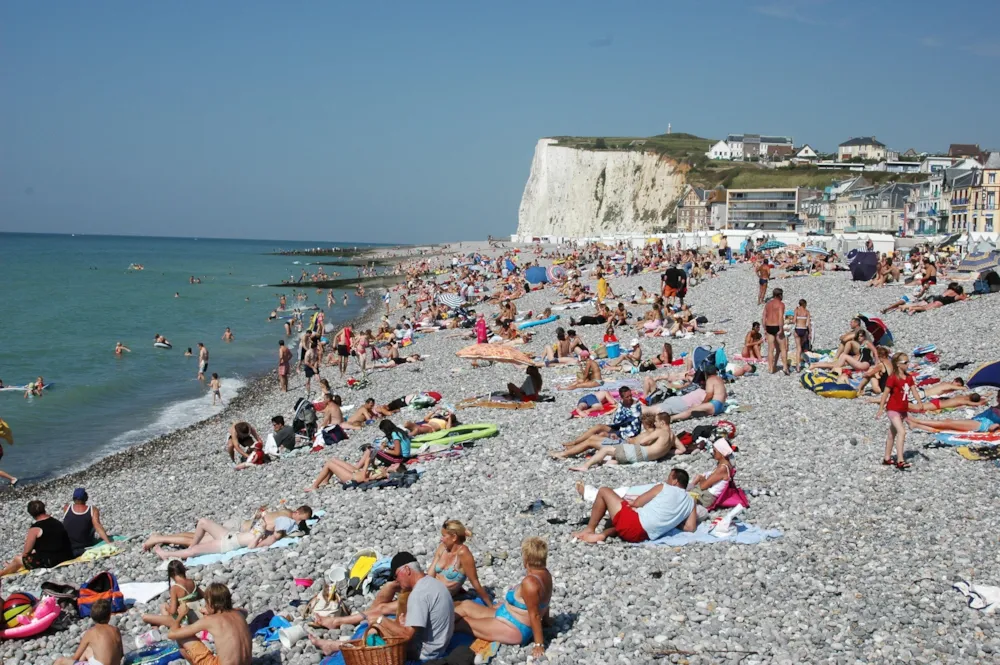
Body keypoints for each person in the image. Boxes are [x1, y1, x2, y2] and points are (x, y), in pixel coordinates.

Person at [454, 537, 552, 657]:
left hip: (515, 627)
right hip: (505, 614)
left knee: (462, 623)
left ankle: (432, 630)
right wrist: (547, 621)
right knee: (466, 605)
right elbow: (545, 602)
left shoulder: (530, 583)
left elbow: (535, 615)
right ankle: (434, 620)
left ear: (526, 557)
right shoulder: (545, 574)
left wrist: (539, 645)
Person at [349, 553, 454, 663]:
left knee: (374, 629)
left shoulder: (418, 594)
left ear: (407, 570)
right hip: (440, 646)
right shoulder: (433, 583)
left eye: (396, 576)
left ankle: (340, 646)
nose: (396, 581)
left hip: (425, 653)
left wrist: (381, 620)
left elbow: (406, 635)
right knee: (382, 625)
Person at [572, 468, 697, 544]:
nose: (667, 480)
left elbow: (638, 502)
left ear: (675, 480)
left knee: (604, 491)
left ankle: (589, 529)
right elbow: (690, 528)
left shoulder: (664, 487)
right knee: (619, 521)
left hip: (633, 525)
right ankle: (604, 534)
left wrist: (629, 503)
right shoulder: (691, 501)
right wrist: (674, 519)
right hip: (643, 536)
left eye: (669, 477)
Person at [142, 506, 312, 560]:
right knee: (199, 527)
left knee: (192, 543)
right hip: (234, 531)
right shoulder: (282, 519)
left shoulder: (271, 534)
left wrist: (261, 533)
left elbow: (254, 546)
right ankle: (166, 540)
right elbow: (268, 521)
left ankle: (166, 550)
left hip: (230, 540)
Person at [160, 583, 251, 665]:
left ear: (210, 603)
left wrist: (181, 615)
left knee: (182, 635)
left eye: (206, 603)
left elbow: (172, 634)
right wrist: (213, 611)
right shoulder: (239, 614)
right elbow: (244, 611)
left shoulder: (210, 620)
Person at [552, 387, 642, 459]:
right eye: (627, 397)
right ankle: (574, 443)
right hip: (619, 427)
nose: (630, 398)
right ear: (621, 397)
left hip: (626, 431)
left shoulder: (635, 406)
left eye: (630, 395)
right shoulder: (621, 404)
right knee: (598, 426)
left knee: (601, 434)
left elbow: (633, 427)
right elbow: (617, 420)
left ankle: (575, 448)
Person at [569, 412, 679, 472]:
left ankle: (586, 466)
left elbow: (644, 441)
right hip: (646, 457)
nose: (655, 423)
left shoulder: (660, 432)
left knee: (606, 449)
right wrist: (665, 452)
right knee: (613, 457)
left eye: (657, 421)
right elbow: (681, 449)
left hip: (640, 453)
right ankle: (601, 462)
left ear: (663, 423)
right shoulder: (673, 435)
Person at [1, 500, 75, 576]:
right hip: (66, 555)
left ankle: (2, 573)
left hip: (51, 561)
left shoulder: (35, 529)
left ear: (31, 513)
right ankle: (11, 566)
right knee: (29, 556)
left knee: (18, 558)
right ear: (44, 508)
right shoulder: (57, 522)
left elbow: (26, 553)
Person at [53, 599, 124, 665]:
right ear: (109, 615)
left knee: (60, 661)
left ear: (92, 617)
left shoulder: (91, 632)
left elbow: (75, 657)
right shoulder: (116, 630)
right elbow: (121, 654)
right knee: (87, 650)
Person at [877, 352, 917, 469]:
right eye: (905, 362)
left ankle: (887, 458)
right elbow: (885, 394)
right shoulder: (893, 378)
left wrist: (920, 403)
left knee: (892, 433)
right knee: (902, 432)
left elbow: (914, 391)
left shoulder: (909, 377)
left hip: (902, 410)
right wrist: (880, 408)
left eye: (908, 361)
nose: (908, 364)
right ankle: (900, 460)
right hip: (892, 409)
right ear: (898, 365)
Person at [141, 559, 201, 626]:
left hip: (183, 620)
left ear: (171, 575)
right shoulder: (191, 582)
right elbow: (202, 595)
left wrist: (168, 608)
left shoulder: (175, 588)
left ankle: (165, 624)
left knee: (145, 617)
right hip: (196, 615)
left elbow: (173, 611)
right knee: (165, 606)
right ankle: (163, 624)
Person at [909, 393, 1000, 434]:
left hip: (982, 425)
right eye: (998, 397)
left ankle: (917, 421)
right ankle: (916, 424)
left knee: (948, 423)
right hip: (976, 421)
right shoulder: (997, 406)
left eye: (999, 397)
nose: (997, 399)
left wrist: (996, 427)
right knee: (948, 422)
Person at [688, 439, 736, 516]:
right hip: (707, 494)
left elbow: (703, 486)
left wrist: (701, 478)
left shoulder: (722, 468)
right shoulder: (726, 464)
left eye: (715, 451)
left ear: (722, 452)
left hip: (706, 497)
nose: (713, 453)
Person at [61, 488, 112, 557]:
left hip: (68, 545)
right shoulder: (92, 510)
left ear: (73, 498)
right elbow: (98, 527)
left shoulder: (66, 508)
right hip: (85, 545)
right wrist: (108, 542)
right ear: (85, 497)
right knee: (92, 524)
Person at [762, 288, 788, 374]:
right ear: (779, 295)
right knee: (783, 348)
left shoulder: (768, 304)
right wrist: (781, 329)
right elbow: (780, 317)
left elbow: (763, 317)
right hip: (777, 326)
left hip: (769, 326)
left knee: (770, 349)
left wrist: (765, 328)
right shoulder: (781, 305)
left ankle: (770, 368)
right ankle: (785, 367)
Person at [792, 299, 812, 371]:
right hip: (804, 329)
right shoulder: (807, 312)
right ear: (805, 304)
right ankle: (801, 360)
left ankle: (798, 367)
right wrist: (810, 333)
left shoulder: (796, 310)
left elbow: (794, 321)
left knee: (798, 348)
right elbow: (808, 324)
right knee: (801, 346)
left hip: (797, 329)